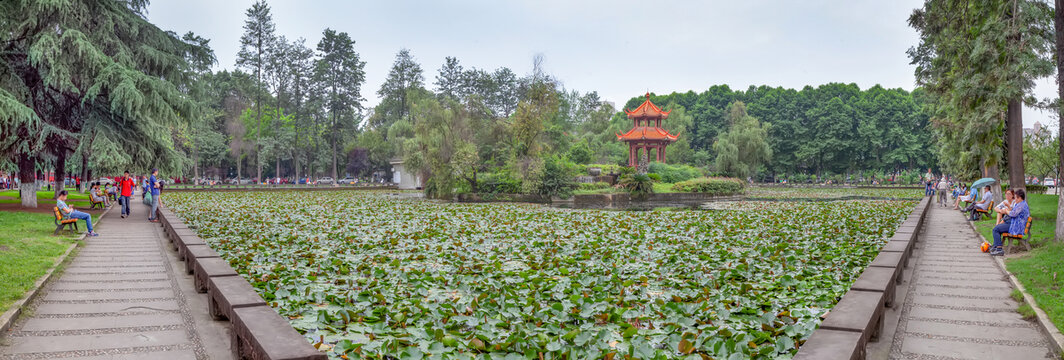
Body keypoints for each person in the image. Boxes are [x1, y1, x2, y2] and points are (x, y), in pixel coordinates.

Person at [991, 189, 1029, 256]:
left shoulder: (1021, 205)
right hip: (1015, 223)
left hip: (1016, 227)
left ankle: (999, 249)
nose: (1015, 199)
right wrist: (1007, 210)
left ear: (1020, 198)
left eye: (1016, 197)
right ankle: (995, 246)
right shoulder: (1021, 204)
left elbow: (1013, 214)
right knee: (998, 228)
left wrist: (1006, 211)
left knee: (996, 229)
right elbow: (1013, 212)